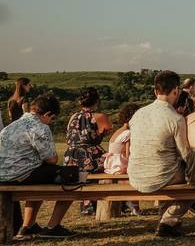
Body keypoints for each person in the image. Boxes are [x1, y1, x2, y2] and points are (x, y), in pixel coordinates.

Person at [0, 94, 76, 239]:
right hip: (22, 174)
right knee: (71, 176)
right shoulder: (40, 127)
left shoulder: (12, 125)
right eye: (52, 119)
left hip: (4, 174)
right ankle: (53, 227)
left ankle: (28, 226)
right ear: (47, 114)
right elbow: (52, 159)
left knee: (42, 174)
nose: (51, 122)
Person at [127, 70, 193, 238]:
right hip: (161, 174)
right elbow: (185, 153)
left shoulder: (138, 114)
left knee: (169, 166)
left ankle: (167, 220)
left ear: (155, 91)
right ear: (176, 90)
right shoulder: (176, 119)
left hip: (135, 174)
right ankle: (168, 220)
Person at [63, 86, 112, 215]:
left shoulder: (73, 116)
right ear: (97, 101)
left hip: (71, 156)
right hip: (90, 154)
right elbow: (108, 129)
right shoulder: (99, 116)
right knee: (112, 167)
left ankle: (86, 205)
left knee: (83, 176)